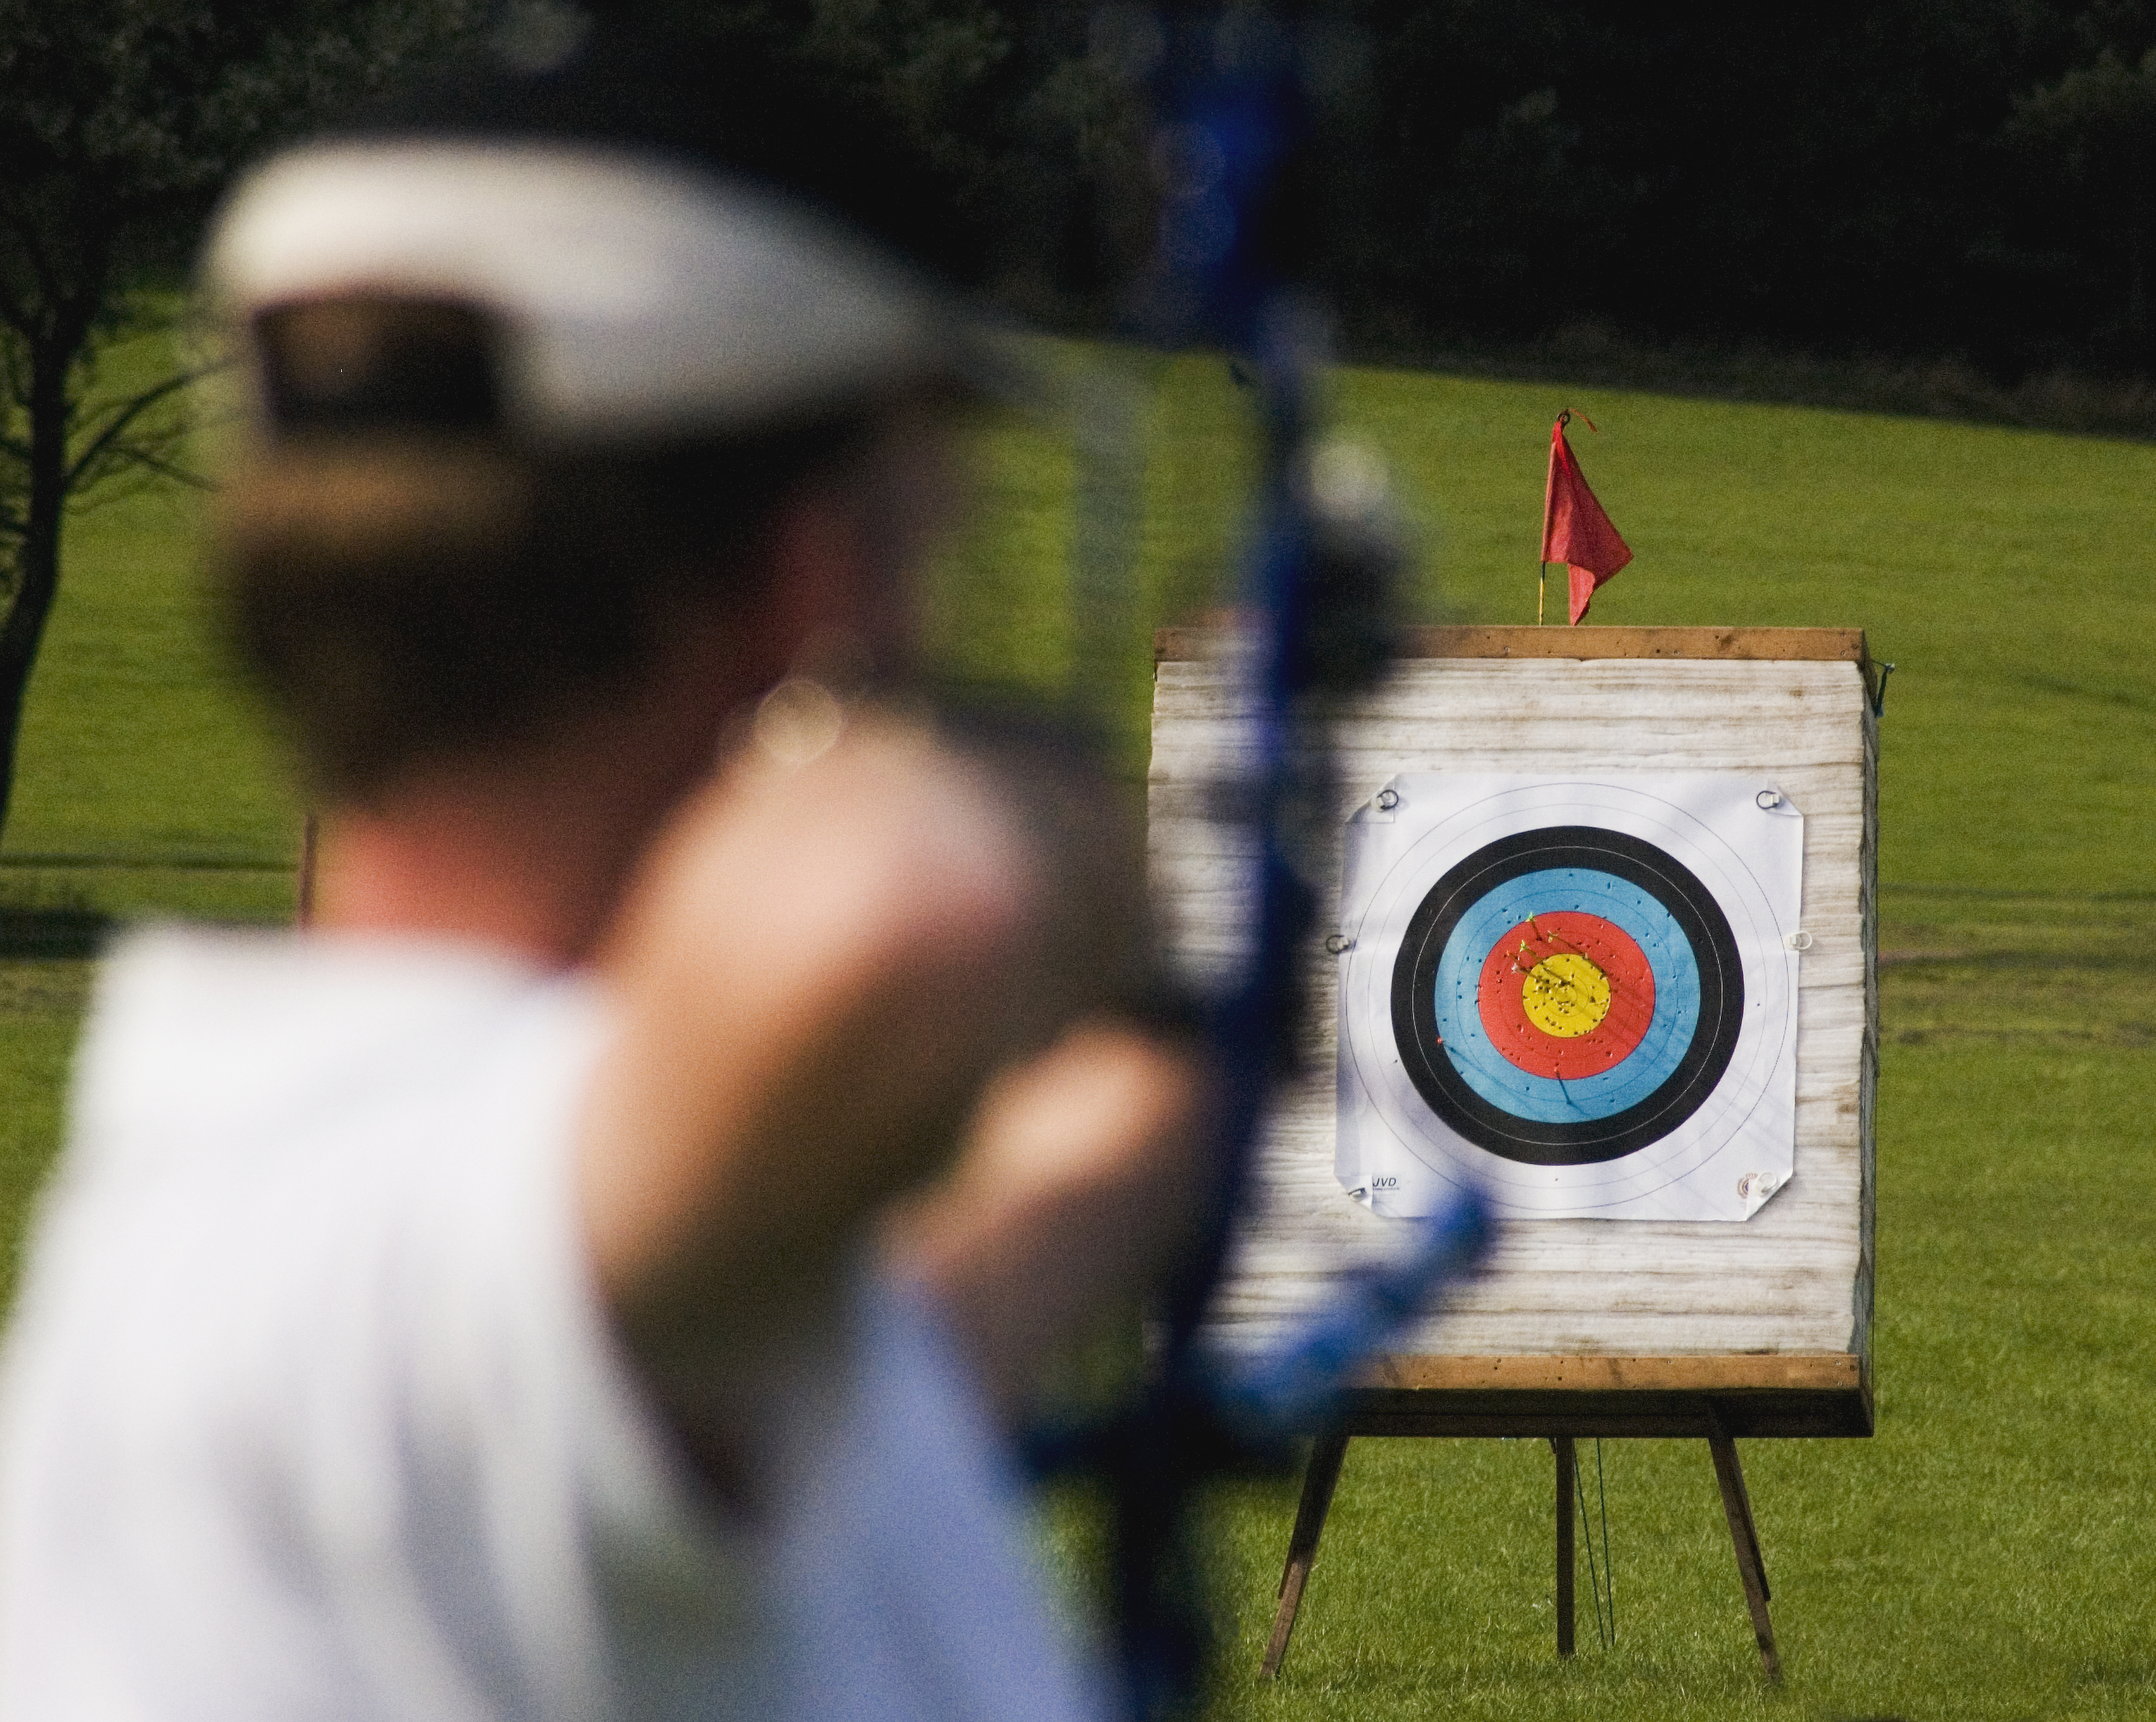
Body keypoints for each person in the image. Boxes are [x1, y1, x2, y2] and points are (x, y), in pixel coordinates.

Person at [0, 27, 1200, 1721]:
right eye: (931, 530)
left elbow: (856, 1358)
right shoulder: (384, 1268)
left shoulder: (355, 1215)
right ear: (819, 570)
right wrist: (1059, 820)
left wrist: (1139, 1097)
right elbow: (915, 915)